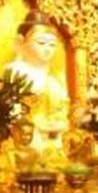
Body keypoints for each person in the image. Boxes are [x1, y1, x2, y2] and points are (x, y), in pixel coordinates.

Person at [6, 11, 71, 154]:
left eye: (52, 44)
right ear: (21, 42)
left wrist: (59, 123)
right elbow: (12, 111)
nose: (47, 49)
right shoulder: (16, 71)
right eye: (41, 43)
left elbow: (62, 111)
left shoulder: (56, 78)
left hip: (55, 135)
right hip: (28, 137)